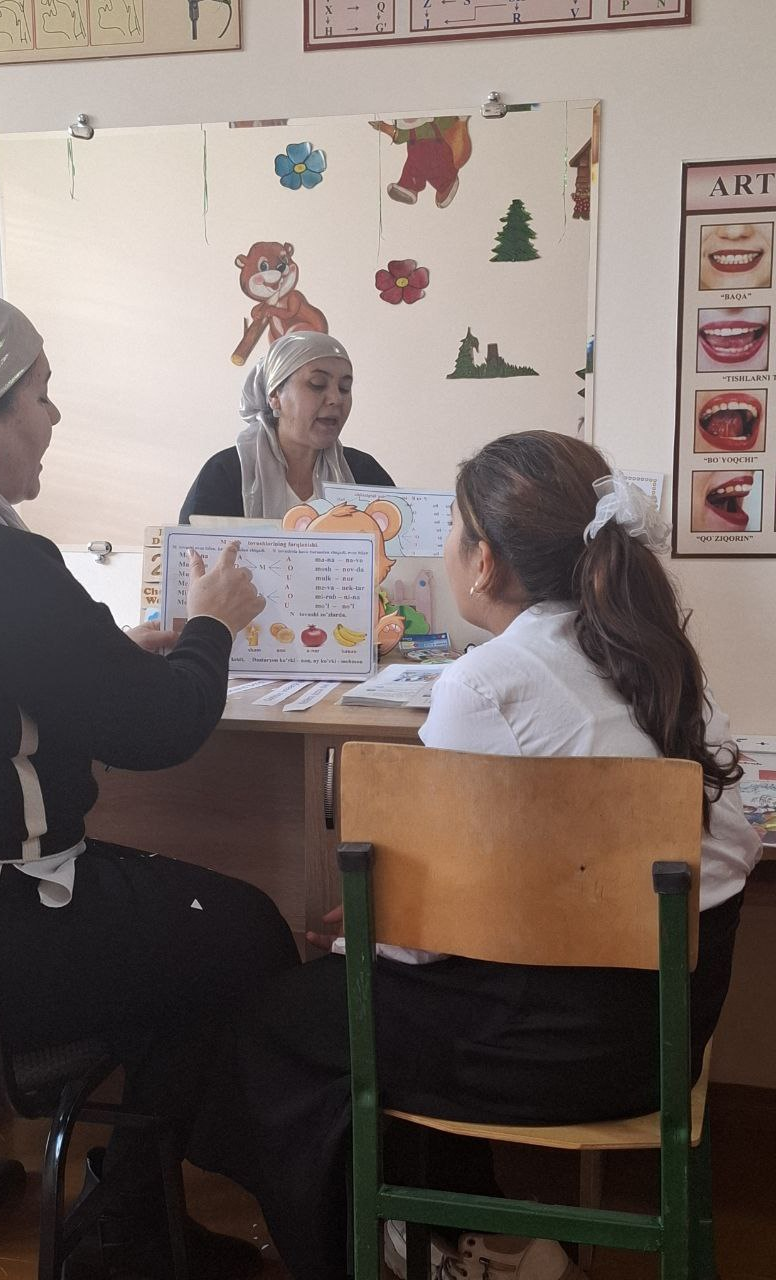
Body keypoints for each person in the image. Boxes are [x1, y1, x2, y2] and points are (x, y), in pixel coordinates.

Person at [185, 431, 760, 1280]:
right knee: (389, 1000)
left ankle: (372, 1250)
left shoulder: (486, 683)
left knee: (284, 1021)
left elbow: (417, 947)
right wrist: (411, 915)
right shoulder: (652, 653)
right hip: (672, 1022)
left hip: (569, 1047)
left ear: (483, 562)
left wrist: (381, 921)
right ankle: (470, 1239)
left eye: (453, 531)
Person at [0, 287, 299, 1279]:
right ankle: (126, 1223)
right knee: (242, 928)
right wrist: (212, 625)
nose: (55, 414)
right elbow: (158, 729)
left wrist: (100, 653)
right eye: (39, 393)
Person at [178, 332, 394, 522]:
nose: (336, 399)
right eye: (317, 384)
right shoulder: (226, 474)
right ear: (274, 395)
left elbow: (401, 546)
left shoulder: (365, 474)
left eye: (345, 388)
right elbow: (190, 552)